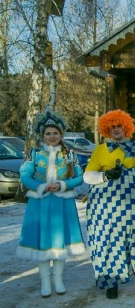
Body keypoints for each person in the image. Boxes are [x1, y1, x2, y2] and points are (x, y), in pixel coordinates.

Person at [83, 110, 135, 300]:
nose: (116, 130)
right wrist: (105, 176)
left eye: (119, 126)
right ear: (106, 129)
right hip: (107, 203)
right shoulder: (100, 150)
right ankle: (112, 281)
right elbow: (87, 176)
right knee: (111, 239)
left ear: (126, 127)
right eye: (111, 127)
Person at [16, 109, 85, 298]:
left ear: (61, 134)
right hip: (40, 204)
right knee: (43, 242)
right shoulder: (34, 153)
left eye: (55, 133)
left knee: (59, 243)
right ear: (42, 135)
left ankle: (58, 279)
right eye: (48, 133)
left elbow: (79, 178)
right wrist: (41, 187)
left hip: (62, 204)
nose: (52, 136)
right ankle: (45, 281)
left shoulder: (70, 154)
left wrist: (63, 184)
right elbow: (24, 176)